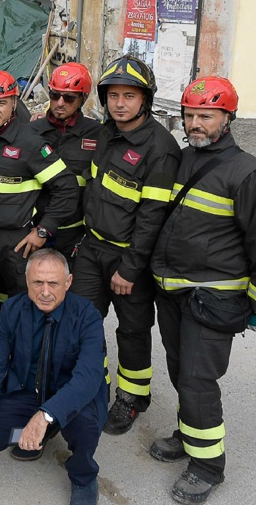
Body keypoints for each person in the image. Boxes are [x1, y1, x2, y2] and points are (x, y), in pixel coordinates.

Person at [148, 76, 256, 505]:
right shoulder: (185, 159)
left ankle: (207, 466)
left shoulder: (250, 175)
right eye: (190, 115)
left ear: (227, 119)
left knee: (197, 380)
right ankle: (190, 435)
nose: (195, 123)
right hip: (175, 291)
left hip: (214, 298)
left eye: (205, 116)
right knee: (180, 371)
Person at [71, 56, 181, 436]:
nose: (119, 103)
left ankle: (133, 396)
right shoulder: (106, 133)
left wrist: (130, 268)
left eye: (129, 95)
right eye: (113, 95)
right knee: (83, 321)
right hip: (93, 248)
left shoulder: (160, 148)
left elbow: (153, 217)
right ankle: (91, 387)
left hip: (129, 257)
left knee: (132, 331)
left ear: (144, 99)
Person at [0, 249, 108, 505]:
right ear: (27, 281)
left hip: (72, 396)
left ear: (68, 282)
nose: (45, 292)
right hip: (27, 391)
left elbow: (87, 378)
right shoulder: (11, 311)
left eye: (53, 283)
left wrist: (45, 415)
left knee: (85, 425)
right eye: (37, 283)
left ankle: (83, 479)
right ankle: (37, 435)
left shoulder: (88, 316)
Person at [0, 70, 79, 379]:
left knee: (16, 304)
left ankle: (14, 359)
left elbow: (66, 188)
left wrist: (43, 231)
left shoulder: (29, 141)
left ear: (14, 102)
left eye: (0, 102)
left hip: (15, 240)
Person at [29, 63, 104, 263]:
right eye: (55, 96)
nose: (60, 103)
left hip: (75, 234)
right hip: (34, 231)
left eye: (69, 98)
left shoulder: (97, 134)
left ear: (82, 99)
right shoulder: (31, 132)